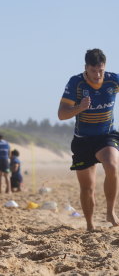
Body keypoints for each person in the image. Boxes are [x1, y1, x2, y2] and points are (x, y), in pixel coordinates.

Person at [58, 48, 119, 231]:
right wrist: (80, 107)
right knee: (87, 187)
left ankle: (110, 211)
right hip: (83, 140)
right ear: (86, 68)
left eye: (100, 70)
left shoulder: (113, 80)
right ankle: (90, 225)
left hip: (106, 136)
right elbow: (61, 114)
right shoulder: (76, 83)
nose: (97, 75)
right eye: (93, 71)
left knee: (112, 165)